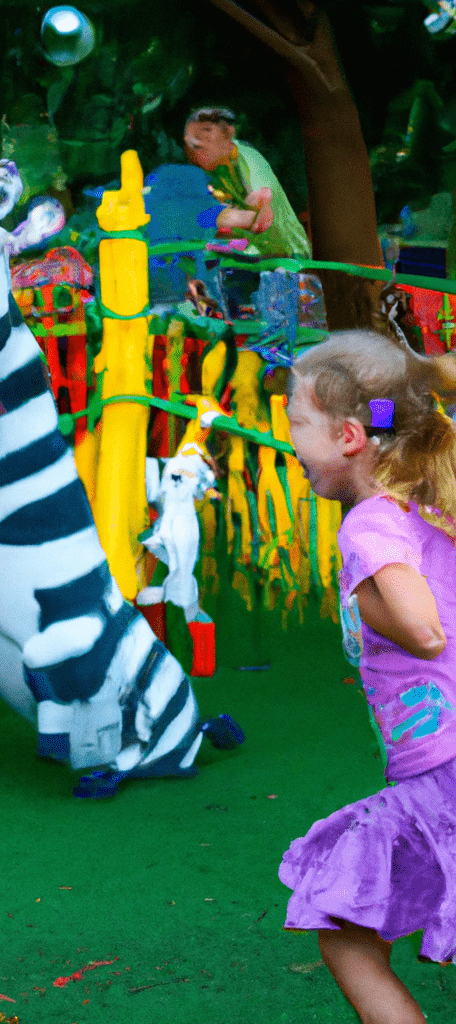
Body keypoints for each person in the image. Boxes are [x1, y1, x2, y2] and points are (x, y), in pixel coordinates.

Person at [281, 329, 456, 1024]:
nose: (290, 440)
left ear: (350, 435)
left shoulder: (371, 525)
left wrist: (370, 598)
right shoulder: (429, 502)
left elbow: (424, 629)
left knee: (342, 925)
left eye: (297, 422)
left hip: (445, 771)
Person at [184, 106, 311, 259]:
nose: (195, 153)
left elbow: (262, 203)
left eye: (200, 145)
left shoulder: (248, 158)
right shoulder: (219, 170)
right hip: (260, 254)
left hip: (289, 253)